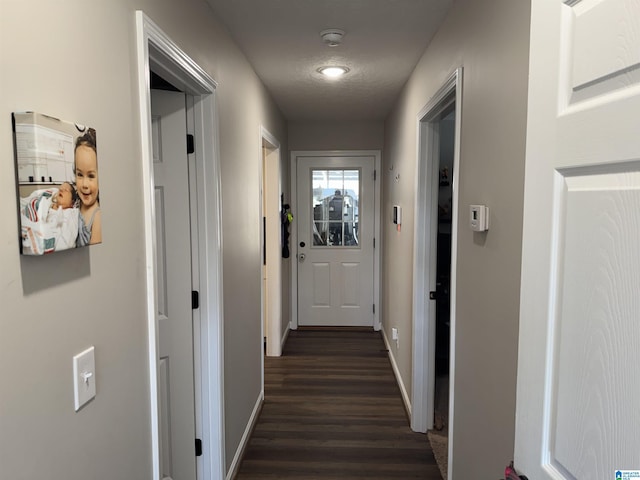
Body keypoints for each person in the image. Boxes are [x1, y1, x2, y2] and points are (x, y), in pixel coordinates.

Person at [20, 182, 79, 254]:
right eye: (60, 189)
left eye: (66, 190)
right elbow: (32, 205)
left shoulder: (71, 213)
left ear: (72, 202)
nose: (61, 190)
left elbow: (66, 243)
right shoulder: (46, 202)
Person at [74, 128, 101, 246]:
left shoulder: (97, 216)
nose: (84, 185)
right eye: (80, 174)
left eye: (91, 176)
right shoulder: (75, 203)